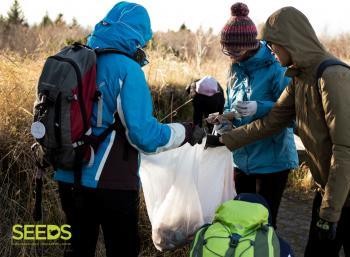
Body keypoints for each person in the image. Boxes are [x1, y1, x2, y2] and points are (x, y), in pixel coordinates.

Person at [53, 2, 204, 257]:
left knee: (78, 249)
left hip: (67, 175)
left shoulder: (77, 60)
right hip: (110, 183)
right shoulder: (127, 69)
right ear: (136, 35)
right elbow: (143, 136)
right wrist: (186, 132)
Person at [208, 6, 350, 257]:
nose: (270, 51)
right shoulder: (299, 78)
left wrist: (329, 213)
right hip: (328, 190)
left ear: (290, 42)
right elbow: (270, 122)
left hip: (343, 193)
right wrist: (223, 139)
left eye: (274, 44)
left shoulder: (332, 76)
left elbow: (345, 150)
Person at [208, 2, 298, 229]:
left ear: (250, 45)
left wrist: (261, 107)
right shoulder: (235, 69)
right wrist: (225, 118)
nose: (232, 57)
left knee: (263, 224)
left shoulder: (277, 66)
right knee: (241, 222)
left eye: (236, 52)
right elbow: (231, 103)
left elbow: (293, 113)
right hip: (241, 159)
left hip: (272, 161)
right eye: (227, 51)